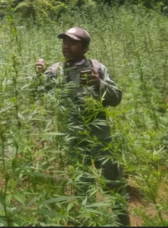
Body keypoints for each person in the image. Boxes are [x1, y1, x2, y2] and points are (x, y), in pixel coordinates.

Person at [35, 27, 130, 227]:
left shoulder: (97, 68)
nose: (66, 46)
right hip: (73, 139)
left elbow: (116, 98)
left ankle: (122, 223)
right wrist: (39, 76)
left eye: (72, 42)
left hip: (100, 137)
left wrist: (99, 84)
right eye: (64, 41)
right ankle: (90, 222)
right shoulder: (55, 71)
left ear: (85, 48)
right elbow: (37, 96)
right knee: (82, 186)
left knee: (114, 184)